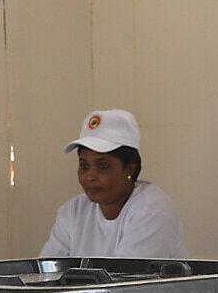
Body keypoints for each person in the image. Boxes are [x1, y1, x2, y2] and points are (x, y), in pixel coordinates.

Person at [41, 110, 189, 258]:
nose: (90, 176)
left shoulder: (152, 212)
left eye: (103, 166)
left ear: (129, 169)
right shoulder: (73, 212)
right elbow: (46, 272)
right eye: (84, 166)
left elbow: (127, 278)